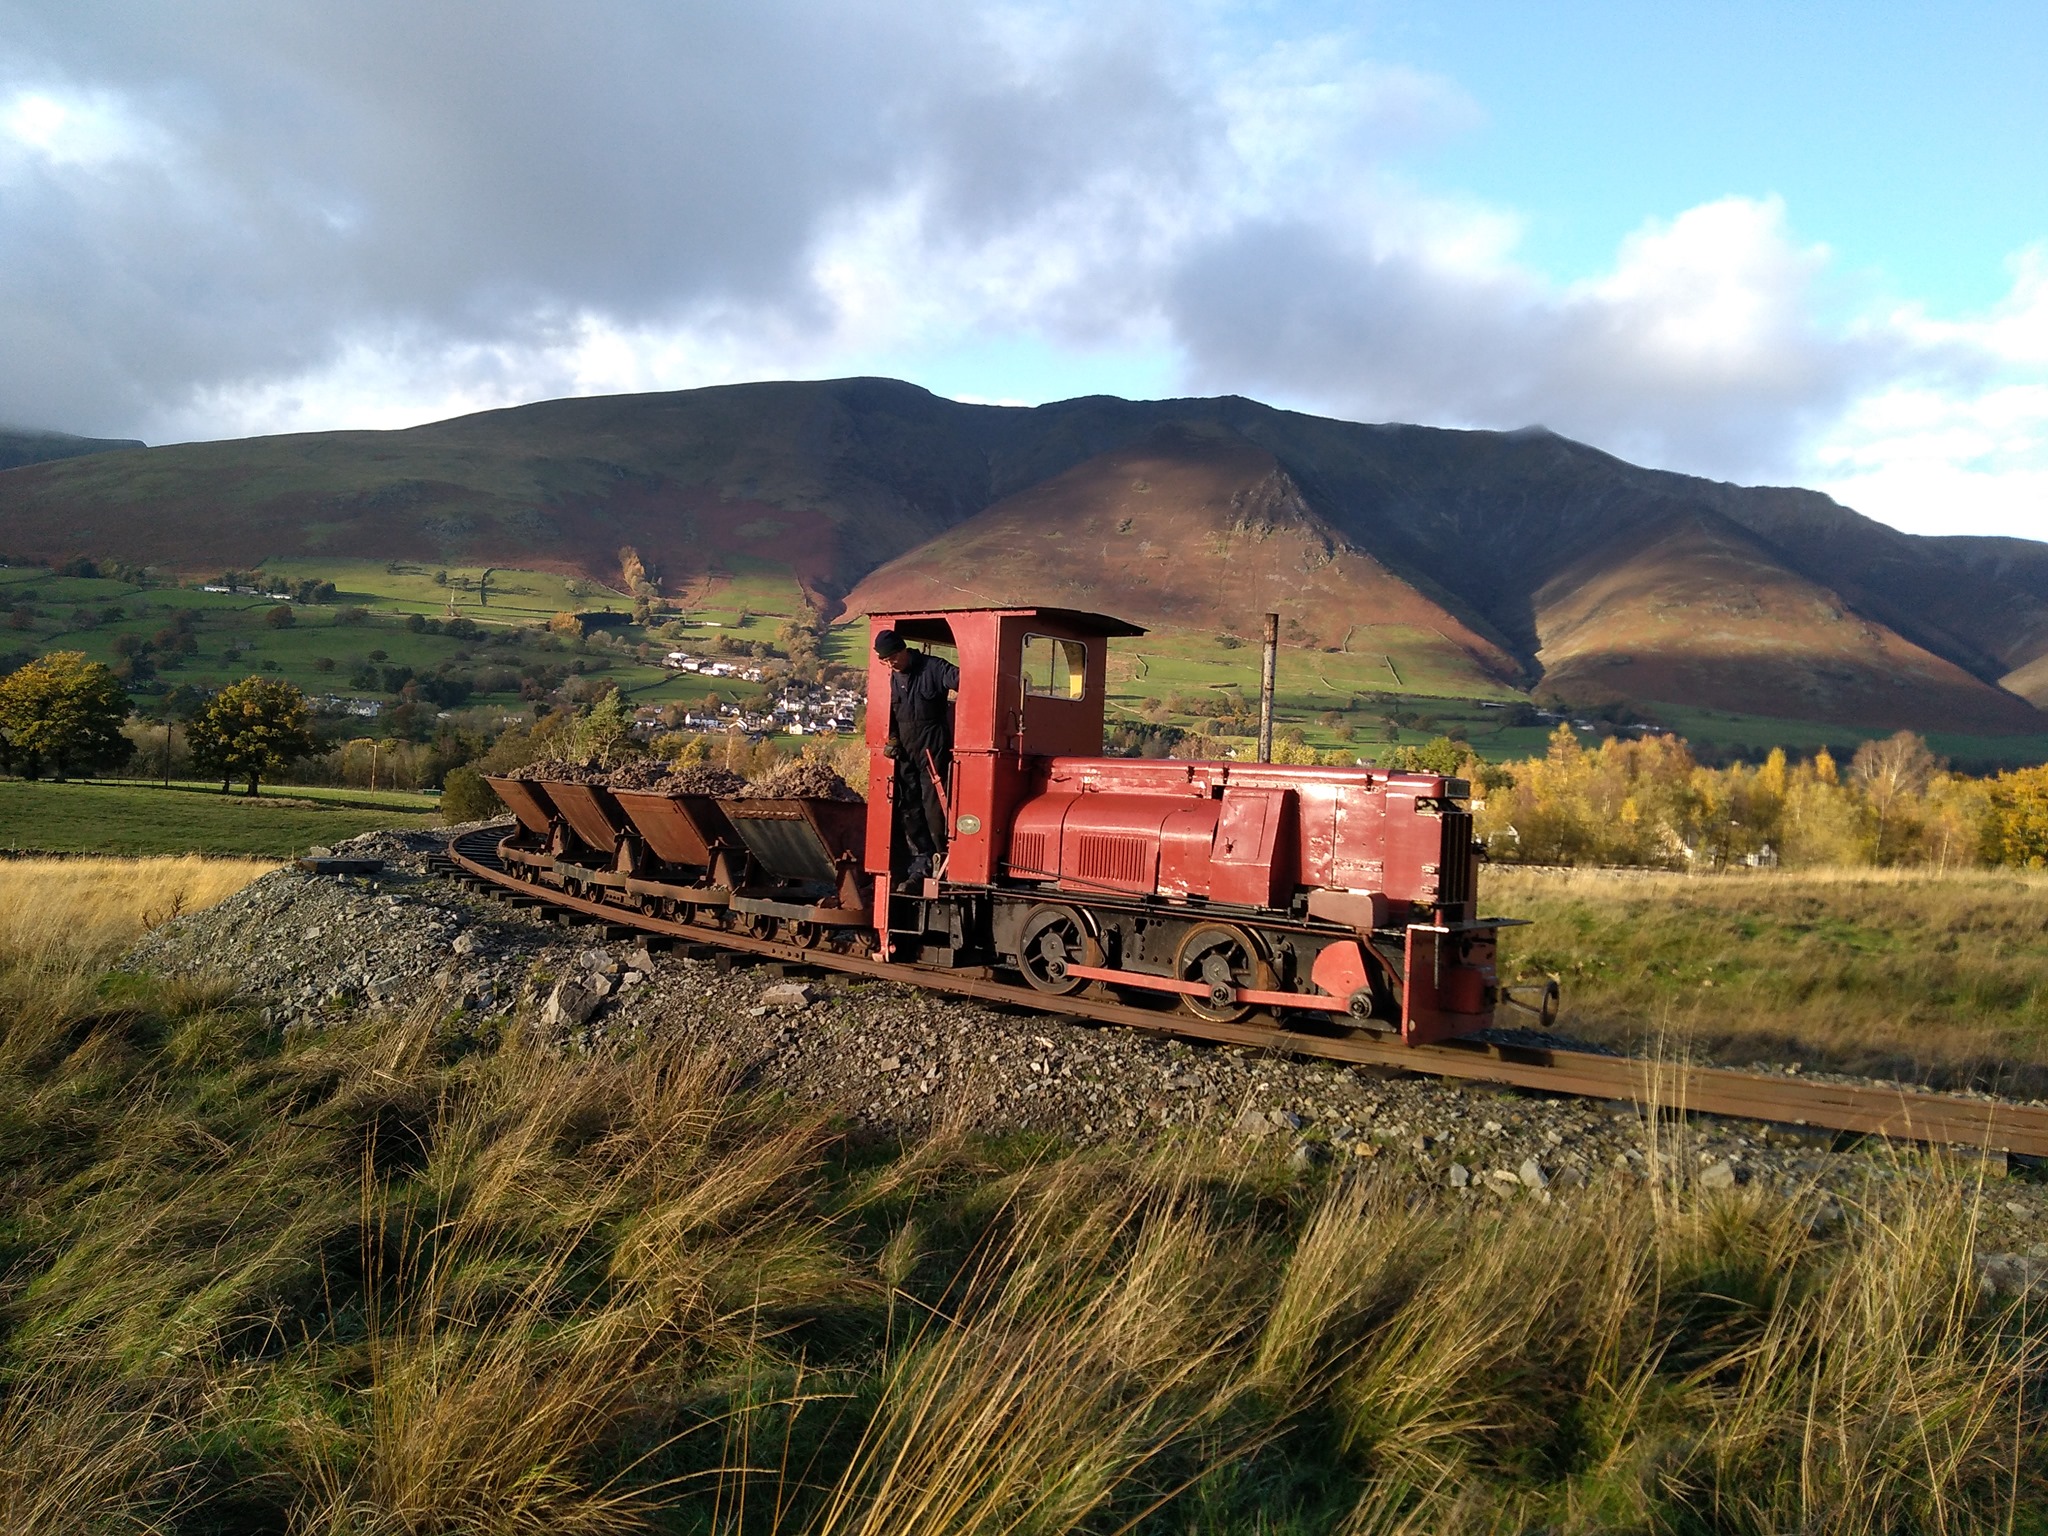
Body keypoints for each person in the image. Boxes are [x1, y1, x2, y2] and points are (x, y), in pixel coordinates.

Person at [875, 628, 958, 882]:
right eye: (885, 661)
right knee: (908, 808)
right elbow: (887, 712)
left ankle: (943, 857)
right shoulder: (889, 679)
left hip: (933, 750)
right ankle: (922, 857)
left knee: (935, 808)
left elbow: (965, 680)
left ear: (903, 650)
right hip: (905, 753)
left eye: (893, 658)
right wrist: (892, 738)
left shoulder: (934, 668)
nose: (891, 664)